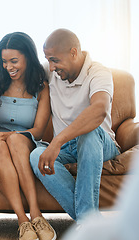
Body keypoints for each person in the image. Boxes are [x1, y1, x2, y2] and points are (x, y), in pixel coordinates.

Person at [29, 29, 120, 224]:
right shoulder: (51, 71)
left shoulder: (98, 72)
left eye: (55, 60)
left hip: (100, 143)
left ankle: (87, 224)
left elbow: (99, 110)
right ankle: (89, 222)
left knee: (88, 134)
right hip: (68, 148)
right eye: (48, 60)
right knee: (36, 155)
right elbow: (19, 69)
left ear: (73, 53)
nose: (51, 67)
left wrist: (57, 141)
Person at [0, 32, 56, 240]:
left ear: (28, 57)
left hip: (26, 141)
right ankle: (22, 220)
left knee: (14, 139)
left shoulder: (41, 88)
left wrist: (10, 136)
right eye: (4, 62)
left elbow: (39, 131)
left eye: (14, 61)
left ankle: (36, 214)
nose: (9, 67)